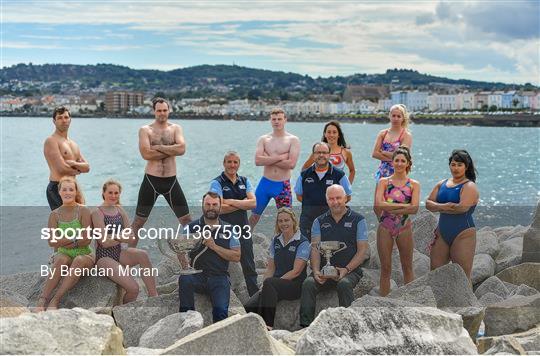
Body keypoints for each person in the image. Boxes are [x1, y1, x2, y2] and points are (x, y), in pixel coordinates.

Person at [299, 185, 368, 327]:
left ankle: (348, 326)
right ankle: (305, 326)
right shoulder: (319, 221)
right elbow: (315, 248)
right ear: (327, 201)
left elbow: (362, 251)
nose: (335, 202)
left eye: (338, 198)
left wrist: (346, 270)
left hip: (350, 271)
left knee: (344, 284)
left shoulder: (359, 220)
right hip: (325, 271)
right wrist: (317, 271)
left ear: (346, 199)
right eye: (331, 199)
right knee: (308, 284)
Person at [131, 97, 191, 246]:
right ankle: (126, 257)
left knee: (187, 222)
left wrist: (158, 147)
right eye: (159, 110)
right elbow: (146, 155)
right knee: (138, 222)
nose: (162, 113)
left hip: (171, 182)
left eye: (165, 110)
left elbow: (182, 149)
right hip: (152, 180)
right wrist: (172, 149)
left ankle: (192, 258)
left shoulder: (176, 128)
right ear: (154, 111)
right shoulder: (146, 130)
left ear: (169, 110)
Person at [91, 179, 158, 303]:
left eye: (116, 193)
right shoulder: (97, 212)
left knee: (142, 255)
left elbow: (131, 236)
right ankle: (122, 312)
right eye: (110, 192)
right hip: (103, 258)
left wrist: (116, 238)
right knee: (134, 289)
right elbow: (104, 242)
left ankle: (154, 296)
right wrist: (120, 237)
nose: (113, 196)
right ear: (103, 193)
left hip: (119, 252)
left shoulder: (120, 210)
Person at [178, 192, 241, 323]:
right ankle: (188, 321)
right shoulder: (190, 227)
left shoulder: (229, 229)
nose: (211, 207)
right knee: (185, 278)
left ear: (220, 207)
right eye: (207, 204)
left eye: (214, 204)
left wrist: (214, 246)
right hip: (197, 275)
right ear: (202, 206)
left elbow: (236, 256)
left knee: (221, 313)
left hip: (219, 277)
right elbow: (179, 249)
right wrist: (184, 263)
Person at [244, 208, 310, 330]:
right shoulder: (276, 241)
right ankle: (253, 331)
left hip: (295, 285)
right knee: (249, 306)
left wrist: (273, 283)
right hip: (275, 285)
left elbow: (296, 271)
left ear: (293, 221)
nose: (283, 223)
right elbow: (270, 268)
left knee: (270, 283)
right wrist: (264, 285)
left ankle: (268, 326)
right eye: (280, 221)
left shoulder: (303, 242)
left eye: (286, 220)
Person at [36, 176, 94, 311]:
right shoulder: (54, 215)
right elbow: (52, 241)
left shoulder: (83, 211)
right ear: (59, 192)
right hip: (64, 254)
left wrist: (64, 241)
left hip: (85, 254)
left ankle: (55, 299)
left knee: (78, 260)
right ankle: (42, 300)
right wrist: (75, 239)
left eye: (71, 190)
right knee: (61, 259)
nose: (67, 192)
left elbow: (86, 240)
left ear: (76, 192)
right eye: (64, 189)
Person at [209, 151, 258, 297]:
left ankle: (255, 297)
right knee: (222, 265)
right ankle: (222, 296)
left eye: (235, 162)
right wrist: (243, 203)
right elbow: (217, 208)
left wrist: (229, 201)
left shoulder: (244, 181)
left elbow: (254, 203)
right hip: (223, 230)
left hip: (243, 228)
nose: (232, 165)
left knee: (249, 265)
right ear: (224, 164)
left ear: (239, 164)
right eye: (229, 162)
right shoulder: (216, 182)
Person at [426, 150, 479, 280]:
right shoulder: (442, 183)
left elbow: (462, 208)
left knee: (462, 275)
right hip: (442, 232)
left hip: (463, 233)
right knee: (435, 272)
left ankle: (467, 301)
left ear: (466, 167)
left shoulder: (469, 186)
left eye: (459, 165)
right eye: (453, 164)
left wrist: (437, 207)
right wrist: (445, 206)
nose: (455, 168)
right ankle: (437, 300)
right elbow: (428, 204)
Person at [374, 146, 420, 296]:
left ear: (408, 163)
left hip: (404, 228)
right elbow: (378, 205)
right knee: (385, 268)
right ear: (392, 162)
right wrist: (404, 206)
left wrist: (390, 207)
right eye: (397, 160)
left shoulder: (413, 184)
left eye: (403, 161)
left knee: (407, 267)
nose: (399, 163)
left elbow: (414, 209)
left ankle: (410, 301)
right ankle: (384, 301)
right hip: (385, 227)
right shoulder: (383, 182)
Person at [249, 108, 300, 230]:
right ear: (270, 121)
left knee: (286, 219)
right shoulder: (264, 139)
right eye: (274, 119)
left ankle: (288, 245)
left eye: (279, 119)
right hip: (265, 183)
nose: (277, 121)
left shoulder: (293, 140)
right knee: (254, 216)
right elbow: (258, 161)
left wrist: (269, 158)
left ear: (285, 120)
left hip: (283, 185)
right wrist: (281, 157)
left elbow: (291, 164)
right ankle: (241, 241)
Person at [295, 142, 352, 240]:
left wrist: (334, 206)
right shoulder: (304, 175)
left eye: (324, 153)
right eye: (318, 152)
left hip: (333, 221)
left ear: (329, 155)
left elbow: (347, 196)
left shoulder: (339, 175)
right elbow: (299, 196)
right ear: (313, 155)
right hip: (308, 222)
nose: (321, 155)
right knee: (307, 251)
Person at [44, 106, 90, 210]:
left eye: (66, 117)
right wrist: (79, 170)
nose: (63, 120)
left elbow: (87, 167)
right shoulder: (51, 141)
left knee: (81, 222)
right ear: (54, 121)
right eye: (60, 118)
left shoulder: (73, 144)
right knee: (64, 223)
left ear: (70, 120)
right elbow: (62, 169)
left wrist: (74, 164)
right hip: (57, 187)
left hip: (74, 187)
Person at [372, 104, 413, 181]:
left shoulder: (406, 135)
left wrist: (384, 152)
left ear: (403, 118)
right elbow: (375, 154)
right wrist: (393, 158)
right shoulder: (383, 133)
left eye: (398, 116)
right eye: (393, 116)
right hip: (382, 173)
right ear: (389, 116)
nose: (396, 118)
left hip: (397, 174)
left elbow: (403, 156)